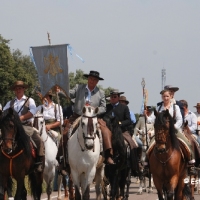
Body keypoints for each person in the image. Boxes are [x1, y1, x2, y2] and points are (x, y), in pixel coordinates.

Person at [63, 70, 114, 167]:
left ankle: (108, 155)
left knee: (106, 131)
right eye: (90, 79)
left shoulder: (101, 93)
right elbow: (69, 94)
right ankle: (62, 158)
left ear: (97, 82)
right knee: (65, 132)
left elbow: (104, 107)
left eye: (94, 79)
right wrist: (60, 90)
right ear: (88, 79)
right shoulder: (79, 88)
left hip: (93, 117)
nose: (92, 81)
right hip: (77, 116)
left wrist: (96, 110)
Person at [145, 89, 195, 175]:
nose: (166, 98)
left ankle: (191, 162)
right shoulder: (159, 107)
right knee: (150, 145)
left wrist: (173, 127)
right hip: (162, 132)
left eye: (167, 96)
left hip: (174, 131)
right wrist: (146, 116)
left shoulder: (175, 107)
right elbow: (151, 119)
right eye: (164, 96)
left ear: (171, 96)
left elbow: (180, 120)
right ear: (162, 97)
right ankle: (147, 163)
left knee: (187, 142)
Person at [3, 80, 45, 172]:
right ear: (14, 90)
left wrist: (20, 118)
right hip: (12, 127)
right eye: (16, 88)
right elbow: (3, 113)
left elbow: (33, 112)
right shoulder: (10, 102)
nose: (18, 90)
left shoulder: (30, 100)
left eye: (20, 88)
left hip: (25, 126)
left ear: (24, 89)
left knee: (39, 140)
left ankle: (39, 162)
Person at [100, 89, 138, 169]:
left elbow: (128, 120)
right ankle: (103, 158)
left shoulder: (124, 108)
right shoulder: (106, 107)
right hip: (107, 130)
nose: (113, 98)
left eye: (115, 97)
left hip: (121, 131)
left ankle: (134, 165)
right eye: (111, 97)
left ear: (118, 98)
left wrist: (120, 123)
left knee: (132, 144)